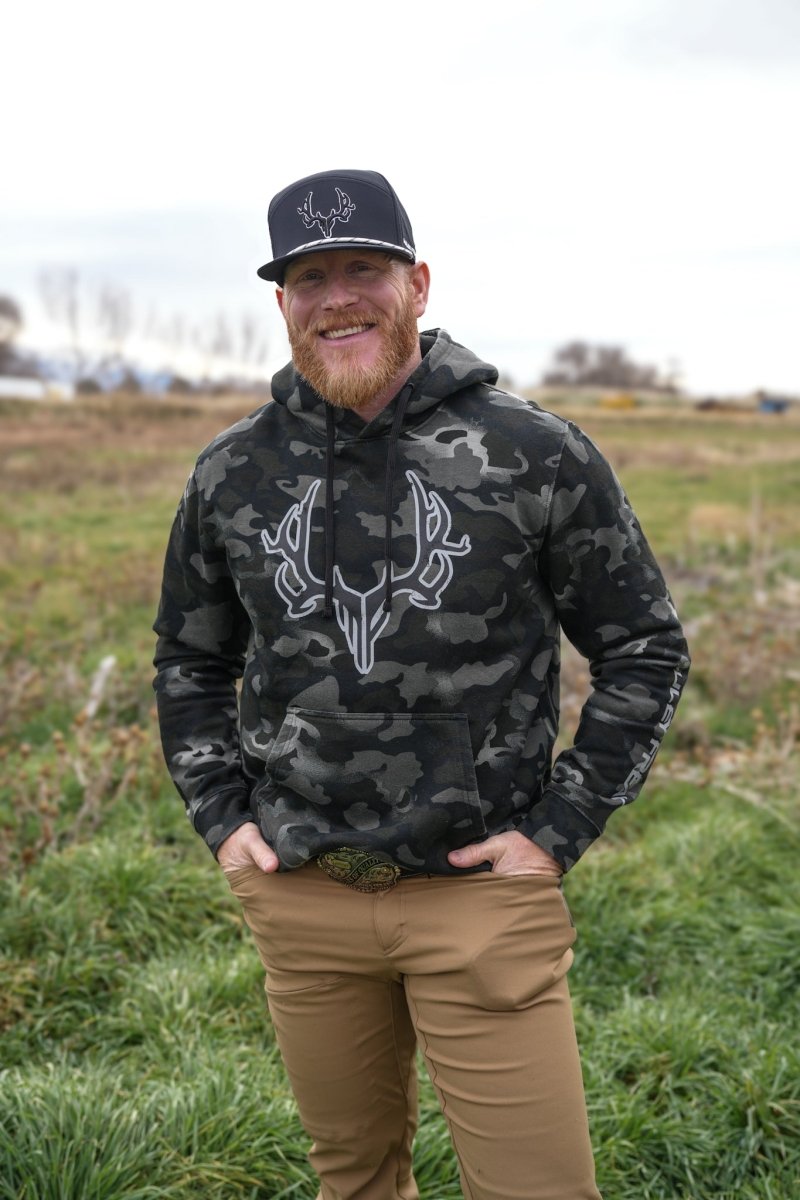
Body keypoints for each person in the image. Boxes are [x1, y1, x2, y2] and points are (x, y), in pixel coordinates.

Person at [153, 169, 690, 1200]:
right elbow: (190, 660)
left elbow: (643, 647)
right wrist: (221, 817)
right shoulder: (231, 471)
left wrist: (560, 828)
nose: (337, 299)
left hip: (480, 895)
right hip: (302, 894)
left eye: (363, 269)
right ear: (283, 304)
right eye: (309, 280)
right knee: (353, 1179)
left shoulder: (533, 453)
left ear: (418, 284)